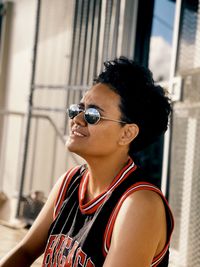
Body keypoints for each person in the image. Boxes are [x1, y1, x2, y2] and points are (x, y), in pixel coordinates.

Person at [0, 57, 174, 267]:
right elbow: (25, 251)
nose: (77, 119)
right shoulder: (70, 182)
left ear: (127, 134)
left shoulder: (139, 205)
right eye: (77, 109)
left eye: (93, 115)